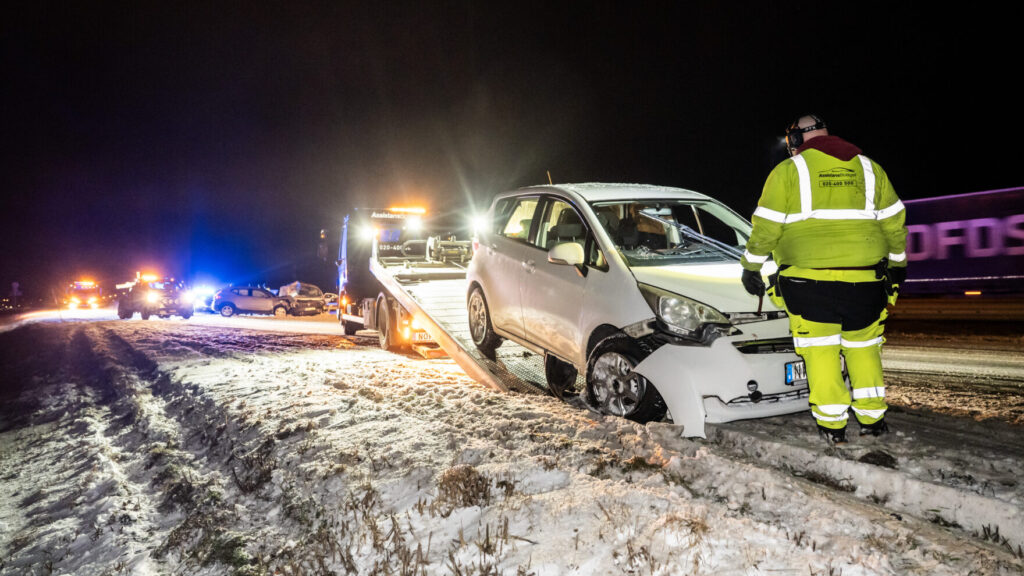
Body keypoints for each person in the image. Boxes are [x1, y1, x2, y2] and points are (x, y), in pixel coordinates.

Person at [740, 114, 908, 444]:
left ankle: (833, 426)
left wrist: (751, 265)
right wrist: (898, 265)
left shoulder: (789, 171)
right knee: (863, 349)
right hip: (866, 282)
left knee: (821, 352)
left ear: (796, 141)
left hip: (808, 284)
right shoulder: (870, 169)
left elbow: (767, 227)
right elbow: (894, 223)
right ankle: (873, 419)